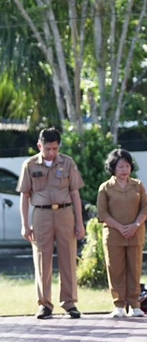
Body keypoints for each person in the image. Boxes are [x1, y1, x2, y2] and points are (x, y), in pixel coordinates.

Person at [17, 128, 85, 319]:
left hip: (65, 212)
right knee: (41, 260)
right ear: (40, 146)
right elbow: (24, 195)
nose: (52, 153)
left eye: (55, 148)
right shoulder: (29, 165)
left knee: (68, 258)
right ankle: (44, 304)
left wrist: (80, 223)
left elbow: (75, 193)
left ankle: (70, 302)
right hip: (41, 214)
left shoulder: (68, 162)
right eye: (48, 149)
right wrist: (25, 223)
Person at [96, 149, 147, 318]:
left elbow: (144, 208)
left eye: (127, 166)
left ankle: (135, 304)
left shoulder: (138, 185)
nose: (124, 170)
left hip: (135, 233)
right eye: (120, 166)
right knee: (115, 269)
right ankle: (118, 304)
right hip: (114, 235)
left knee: (135, 268)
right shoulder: (105, 188)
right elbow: (102, 213)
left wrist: (135, 225)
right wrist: (120, 226)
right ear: (113, 168)